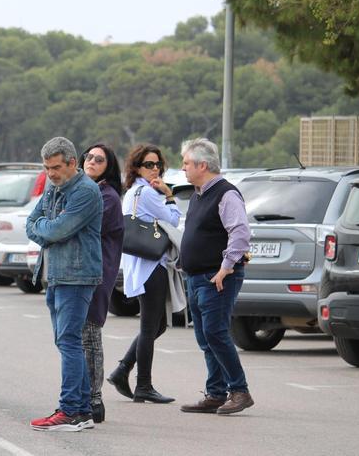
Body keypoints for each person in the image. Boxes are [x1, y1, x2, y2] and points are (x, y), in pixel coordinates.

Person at [27, 137, 102, 432]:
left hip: (77, 275)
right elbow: (32, 222)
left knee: (70, 342)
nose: (51, 174)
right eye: (47, 168)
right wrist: (46, 229)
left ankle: (71, 410)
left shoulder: (86, 191)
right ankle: (81, 410)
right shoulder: (52, 185)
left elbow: (58, 229)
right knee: (67, 341)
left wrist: (45, 229)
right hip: (56, 274)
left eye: (56, 167)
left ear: (73, 163)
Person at [178, 138, 254, 415]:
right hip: (197, 276)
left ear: (202, 164)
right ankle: (216, 393)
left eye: (186, 163)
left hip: (217, 276)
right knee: (205, 337)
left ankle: (239, 390)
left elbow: (240, 233)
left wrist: (225, 268)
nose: (183, 167)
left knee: (216, 333)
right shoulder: (199, 193)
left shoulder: (226, 194)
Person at [107, 144, 181, 404]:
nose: (155, 169)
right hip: (151, 266)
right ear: (137, 167)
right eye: (149, 164)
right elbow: (173, 220)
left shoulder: (133, 192)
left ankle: (122, 370)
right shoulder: (147, 194)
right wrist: (169, 195)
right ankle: (143, 386)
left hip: (140, 265)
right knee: (151, 326)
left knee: (156, 324)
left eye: (158, 164)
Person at [77, 144, 124, 423]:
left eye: (99, 159)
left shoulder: (107, 197)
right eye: (89, 157)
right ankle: (81, 395)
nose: (92, 162)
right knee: (78, 338)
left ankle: (94, 399)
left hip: (97, 274)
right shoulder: (82, 190)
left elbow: (80, 225)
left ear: (109, 166)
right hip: (76, 273)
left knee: (91, 336)